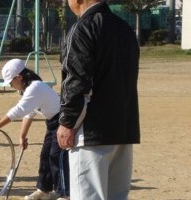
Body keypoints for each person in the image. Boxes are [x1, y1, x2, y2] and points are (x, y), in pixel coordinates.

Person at [58, 0, 140, 199]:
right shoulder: (124, 28)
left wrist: (68, 122)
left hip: (92, 133)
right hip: (123, 129)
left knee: (88, 195)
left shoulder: (83, 27)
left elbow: (77, 80)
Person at [0, 59, 69, 200]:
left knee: (56, 156)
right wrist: (22, 136)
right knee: (45, 155)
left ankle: (65, 194)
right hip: (52, 123)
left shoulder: (35, 87)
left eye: (11, 82)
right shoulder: (28, 89)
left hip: (62, 121)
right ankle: (44, 189)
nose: (11, 86)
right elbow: (29, 113)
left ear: (19, 77)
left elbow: (18, 110)